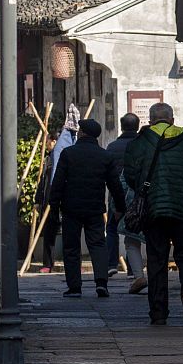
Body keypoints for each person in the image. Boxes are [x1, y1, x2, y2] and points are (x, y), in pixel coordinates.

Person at [124, 102, 183, 325]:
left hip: (153, 210)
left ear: (150, 121)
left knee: (157, 259)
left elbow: (130, 174)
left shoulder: (140, 142)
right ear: (171, 120)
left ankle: (158, 312)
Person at [48, 117, 126, 298]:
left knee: (71, 248)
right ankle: (101, 283)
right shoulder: (105, 156)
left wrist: (54, 206)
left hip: (71, 208)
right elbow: (115, 185)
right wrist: (120, 207)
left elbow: (58, 183)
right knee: (98, 245)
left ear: (82, 133)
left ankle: (75, 287)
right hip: (95, 208)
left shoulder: (68, 154)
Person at [107, 113, 147, 294]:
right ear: (137, 126)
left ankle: (111, 263)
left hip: (120, 196)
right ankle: (133, 270)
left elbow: (112, 175)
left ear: (121, 126)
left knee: (115, 230)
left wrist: (116, 204)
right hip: (147, 198)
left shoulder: (113, 147)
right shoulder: (143, 146)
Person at [34, 134, 58, 273]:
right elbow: (42, 181)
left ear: (53, 141)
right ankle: (48, 264)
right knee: (48, 233)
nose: (47, 144)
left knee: (70, 234)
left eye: (48, 141)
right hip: (48, 201)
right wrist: (38, 200)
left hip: (61, 201)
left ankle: (73, 264)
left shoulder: (62, 156)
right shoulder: (48, 159)